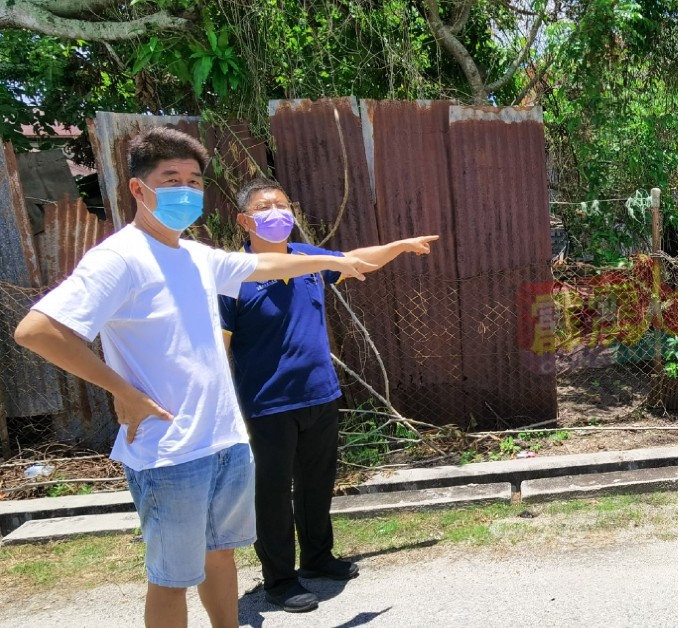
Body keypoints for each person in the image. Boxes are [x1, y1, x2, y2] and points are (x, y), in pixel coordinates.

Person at [12, 128, 374, 628]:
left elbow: (264, 264)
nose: (186, 189)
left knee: (220, 557)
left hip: (223, 440)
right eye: (172, 178)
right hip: (169, 452)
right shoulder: (121, 258)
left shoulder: (196, 255)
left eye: (194, 180)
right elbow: (38, 330)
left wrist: (336, 260)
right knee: (171, 578)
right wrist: (124, 392)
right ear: (139, 189)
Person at [219, 178, 438, 613]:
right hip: (267, 404)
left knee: (317, 485)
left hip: (320, 395)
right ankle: (280, 579)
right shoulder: (231, 274)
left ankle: (318, 560)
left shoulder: (307, 260)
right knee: (273, 494)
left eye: (283, 205)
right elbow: (218, 345)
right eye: (266, 207)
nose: (278, 213)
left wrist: (398, 245)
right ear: (245, 220)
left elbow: (358, 261)